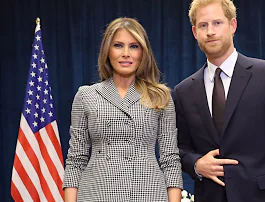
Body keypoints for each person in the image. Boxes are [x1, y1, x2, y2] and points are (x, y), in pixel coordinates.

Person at [173, 0, 265, 202]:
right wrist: (196, 164)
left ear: (232, 25)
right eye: (203, 25)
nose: (210, 31)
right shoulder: (183, 91)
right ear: (194, 32)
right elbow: (178, 149)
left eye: (217, 23)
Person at [63, 17, 182, 202]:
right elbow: (76, 160)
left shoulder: (161, 97)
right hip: (96, 193)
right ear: (107, 51)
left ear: (143, 52)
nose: (126, 53)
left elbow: (170, 160)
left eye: (134, 46)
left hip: (148, 194)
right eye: (118, 45)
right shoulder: (86, 96)